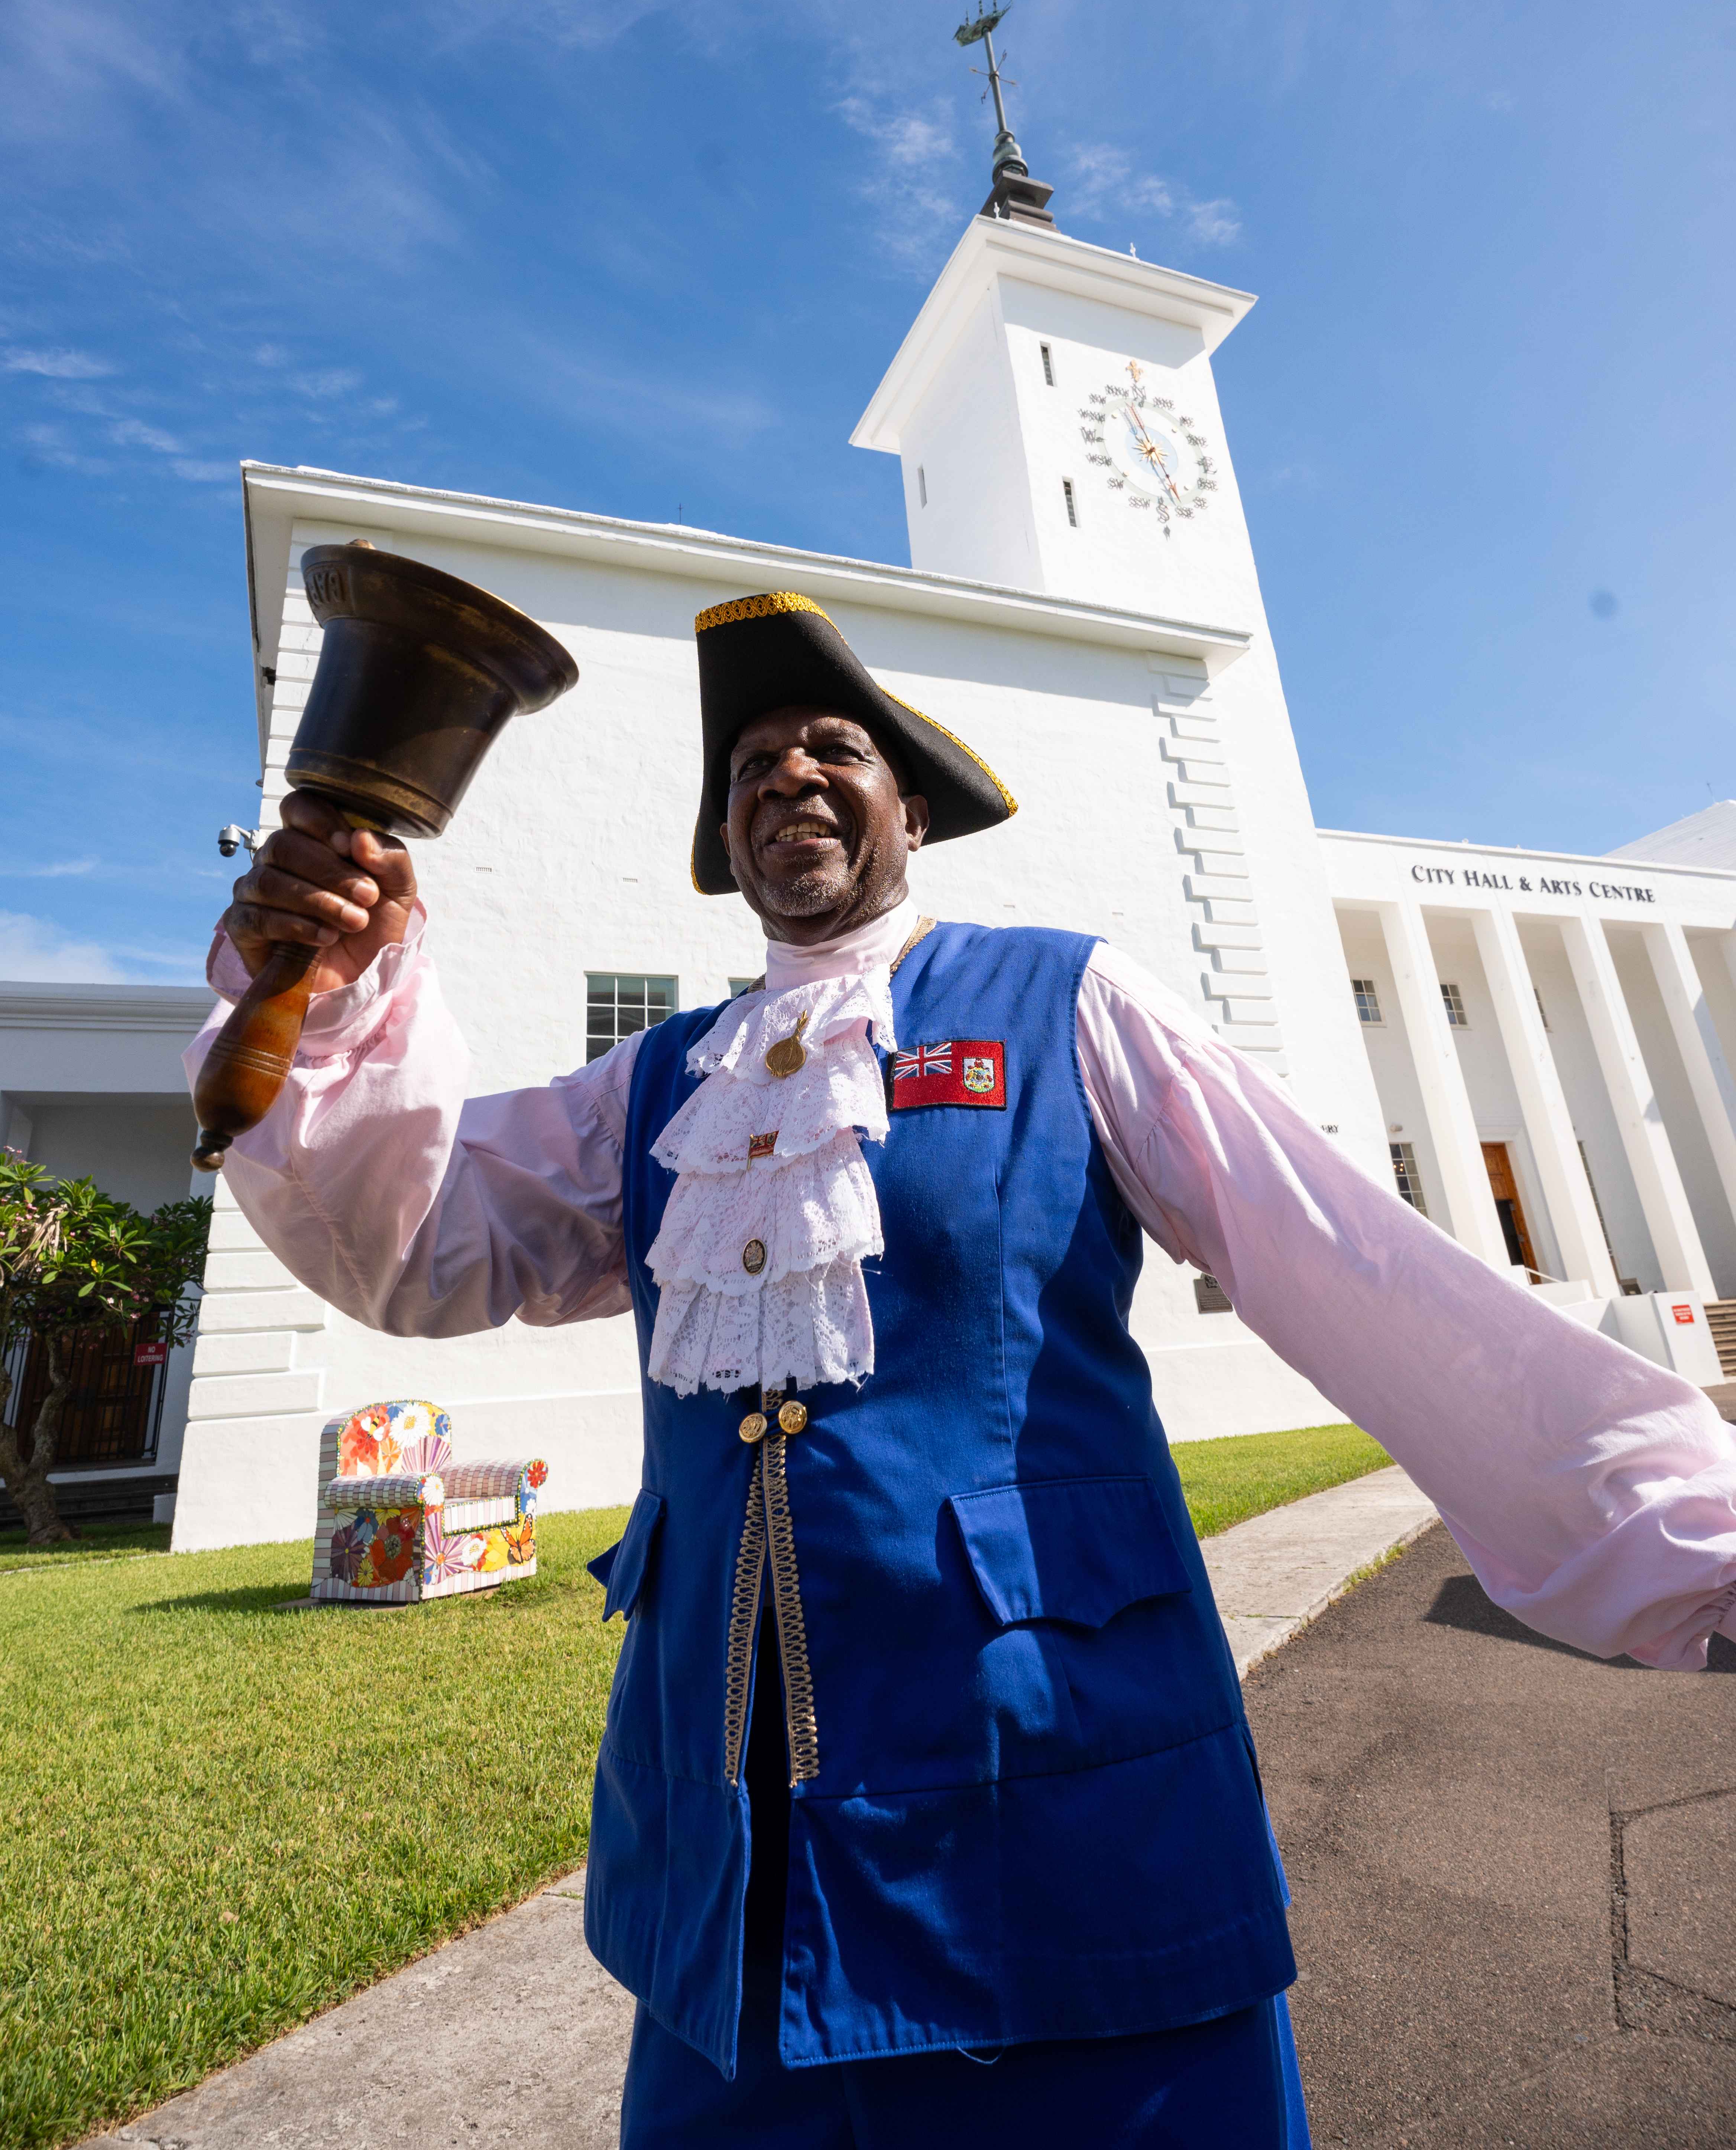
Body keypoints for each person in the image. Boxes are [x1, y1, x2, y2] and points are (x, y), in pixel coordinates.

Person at [188, 590, 1736, 2150]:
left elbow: (1359, 1271)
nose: (786, 774)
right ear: (725, 845)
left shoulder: (1068, 1000)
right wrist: (340, 989)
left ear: (908, 814)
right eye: (748, 769)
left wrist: (1680, 1530)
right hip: (731, 1832)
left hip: (1050, 1779)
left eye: (832, 749)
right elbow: (415, 1244)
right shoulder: (657, 1087)